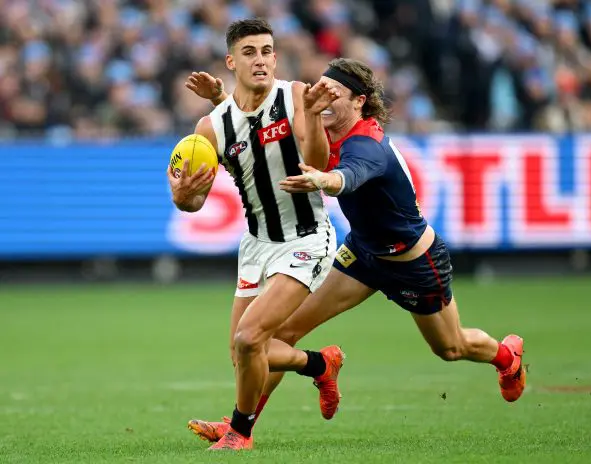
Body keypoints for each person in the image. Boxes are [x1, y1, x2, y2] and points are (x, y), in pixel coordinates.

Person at [186, 57, 527, 444]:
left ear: (359, 102)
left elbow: (348, 177)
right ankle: (241, 425)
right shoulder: (319, 125)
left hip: (414, 262)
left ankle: (506, 356)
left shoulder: (367, 143)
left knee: (451, 347)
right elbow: (258, 128)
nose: (321, 98)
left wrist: (324, 179)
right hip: (362, 255)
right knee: (280, 332)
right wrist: (221, 98)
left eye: (334, 94)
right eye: (319, 90)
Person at [167, 19, 348, 451]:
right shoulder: (211, 128)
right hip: (256, 244)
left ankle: (239, 434)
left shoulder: (295, 97)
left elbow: (317, 162)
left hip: (306, 237)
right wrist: (181, 196)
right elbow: (193, 204)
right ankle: (321, 364)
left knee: (251, 339)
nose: (261, 60)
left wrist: (311, 117)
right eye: (249, 52)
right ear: (232, 62)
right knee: (242, 351)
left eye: (267, 51)